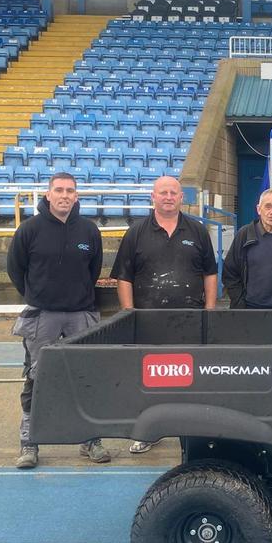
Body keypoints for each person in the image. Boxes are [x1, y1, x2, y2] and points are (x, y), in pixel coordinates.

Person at [7, 172, 108, 469]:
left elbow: (93, 270)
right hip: (43, 316)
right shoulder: (29, 230)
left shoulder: (89, 231)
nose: (65, 195)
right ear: (48, 194)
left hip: (81, 314)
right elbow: (16, 270)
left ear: (77, 196)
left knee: (86, 377)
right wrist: (39, 295)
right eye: (59, 190)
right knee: (37, 378)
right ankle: (29, 442)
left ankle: (90, 439)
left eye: (70, 191)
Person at [110, 175, 218, 454]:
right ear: (153, 197)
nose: (168, 197)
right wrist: (129, 313)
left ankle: (190, 436)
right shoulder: (136, 232)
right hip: (148, 321)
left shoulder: (197, 230)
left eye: (173, 192)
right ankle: (150, 432)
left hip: (190, 321)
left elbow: (210, 273)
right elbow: (124, 276)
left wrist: (209, 311)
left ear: (182, 198)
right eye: (163, 193)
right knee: (151, 379)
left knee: (190, 378)